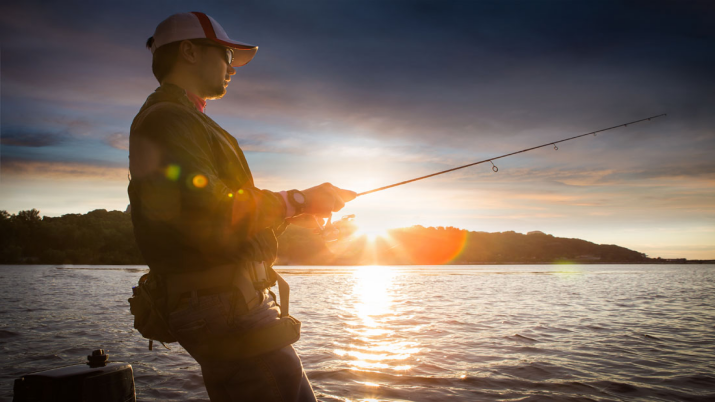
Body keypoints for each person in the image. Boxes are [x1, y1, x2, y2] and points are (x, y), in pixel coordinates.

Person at [128, 11, 356, 402]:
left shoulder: (182, 119)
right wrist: (297, 199)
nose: (233, 68)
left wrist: (294, 212)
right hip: (223, 306)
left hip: (226, 303)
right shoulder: (168, 119)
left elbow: (218, 223)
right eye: (227, 56)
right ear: (188, 52)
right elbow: (207, 209)